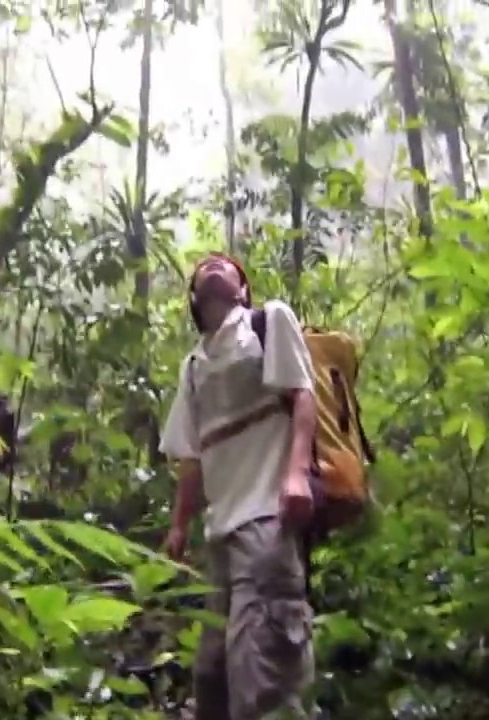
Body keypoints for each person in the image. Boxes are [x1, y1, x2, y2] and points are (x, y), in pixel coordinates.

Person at [159, 252, 318, 720]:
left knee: (263, 670)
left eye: (225, 266)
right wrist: (178, 527)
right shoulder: (193, 367)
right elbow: (191, 455)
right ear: (193, 298)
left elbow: (302, 396)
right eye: (203, 267)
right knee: (212, 676)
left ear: (243, 290)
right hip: (221, 535)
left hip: (267, 517)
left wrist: (296, 474)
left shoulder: (267, 323)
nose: (213, 266)